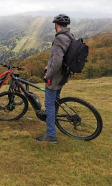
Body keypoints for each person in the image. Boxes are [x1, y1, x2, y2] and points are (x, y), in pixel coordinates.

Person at [36, 14, 74, 143]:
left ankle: (51, 135)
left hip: (55, 76)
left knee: (49, 104)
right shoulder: (70, 36)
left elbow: (57, 61)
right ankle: (53, 126)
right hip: (63, 75)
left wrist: (48, 75)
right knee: (56, 101)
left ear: (56, 25)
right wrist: (49, 67)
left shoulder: (59, 39)